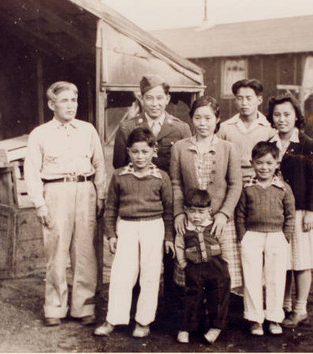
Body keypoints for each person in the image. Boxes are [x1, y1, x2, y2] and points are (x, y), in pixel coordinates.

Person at [24, 81, 106, 327]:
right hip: (56, 191)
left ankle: (84, 306)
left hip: (85, 190)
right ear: (52, 104)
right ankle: (55, 307)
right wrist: (40, 203)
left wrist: (100, 195)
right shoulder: (40, 134)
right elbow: (31, 171)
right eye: (64, 101)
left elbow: (99, 164)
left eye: (73, 100)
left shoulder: (87, 130)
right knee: (56, 251)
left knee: (85, 251)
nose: (71, 105)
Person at [112, 73, 191, 297]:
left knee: (170, 254)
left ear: (167, 98)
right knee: (137, 259)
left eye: (159, 98)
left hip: (169, 200)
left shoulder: (180, 128)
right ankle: (136, 310)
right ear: (141, 99)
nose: (154, 104)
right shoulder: (127, 127)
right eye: (149, 98)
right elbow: (119, 163)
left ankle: (168, 313)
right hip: (139, 202)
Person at [94, 127, 174, 338]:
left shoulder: (161, 177)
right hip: (127, 226)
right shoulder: (120, 176)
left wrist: (168, 237)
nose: (140, 156)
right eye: (135, 151)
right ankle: (114, 318)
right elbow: (111, 207)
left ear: (153, 151)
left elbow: (169, 210)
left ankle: (143, 321)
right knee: (121, 274)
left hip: (153, 226)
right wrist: (111, 234)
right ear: (128, 152)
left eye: (145, 151)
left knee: (150, 274)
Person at [170, 96, 243, 292]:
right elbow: (176, 184)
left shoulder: (228, 148)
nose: (203, 124)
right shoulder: (180, 148)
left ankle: (219, 318)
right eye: (198, 118)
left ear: (217, 119)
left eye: (208, 118)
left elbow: (236, 185)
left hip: (220, 222)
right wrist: (179, 213)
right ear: (191, 119)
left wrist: (223, 214)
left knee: (220, 272)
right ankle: (196, 318)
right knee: (193, 271)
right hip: (191, 219)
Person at [266, 93, 313, 328]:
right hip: (278, 212)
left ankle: (300, 308)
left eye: (287, 114)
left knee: (301, 261)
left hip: (301, 213)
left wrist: (312, 211)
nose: (282, 119)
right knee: (282, 261)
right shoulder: (269, 144)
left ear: (297, 117)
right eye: (277, 115)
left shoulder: (309, 144)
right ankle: (283, 304)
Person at [236, 141, 295, 336]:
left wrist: (285, 237)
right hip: (252, 235)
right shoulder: (247, 187)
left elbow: (290, 215)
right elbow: (241, 214)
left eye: (269, 163)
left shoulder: (283, 188)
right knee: (252, 277)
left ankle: (274, 318)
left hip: (276, 236)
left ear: (277, 164)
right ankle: (254, 319)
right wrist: (243, 236)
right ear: (252, 163)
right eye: (260, 163)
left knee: (275, 277)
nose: (264, 168)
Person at [175, 189, 231, 344]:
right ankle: (187, 328)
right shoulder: (184, 229)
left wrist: (224, 262)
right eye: (192, 212)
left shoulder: (214, 225)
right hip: (194, 268)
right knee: (192, 297)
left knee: (218, 296)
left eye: (201, 212)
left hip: (216, 267)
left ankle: (216, 327)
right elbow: (179, 246)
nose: (196, 216)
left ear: (209, 211)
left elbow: (224, 243)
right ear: (185, 210)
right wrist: (184, 264)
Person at [217, 79, 276, 181]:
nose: (244, 103)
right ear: (235, 100)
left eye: (249, 98)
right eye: (240, 98)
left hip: (260, 183)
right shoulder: (224, 128)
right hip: (231, 183)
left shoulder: (270, 129)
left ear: (259, 100)